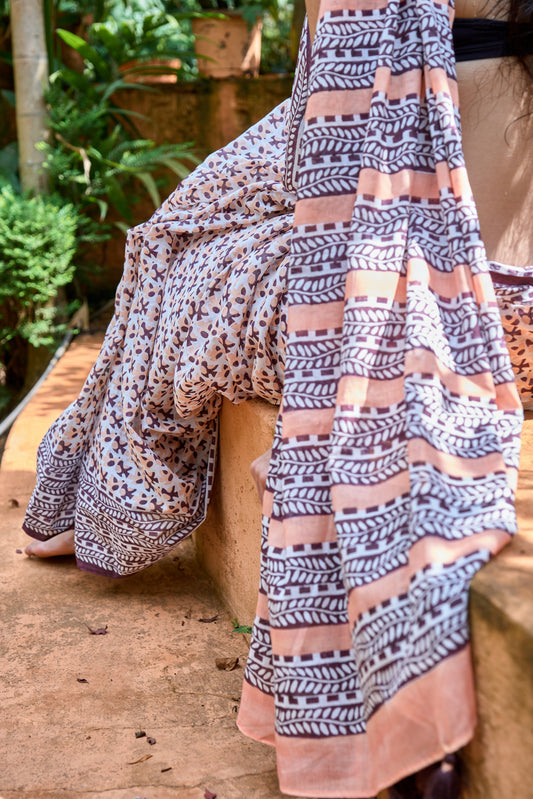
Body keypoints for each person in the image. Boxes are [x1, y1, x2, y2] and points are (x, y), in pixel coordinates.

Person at [23, 0, 533, 795]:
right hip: (515, 317)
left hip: (424, 311)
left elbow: (312, 175)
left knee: (178, 259)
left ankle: (115, 491)